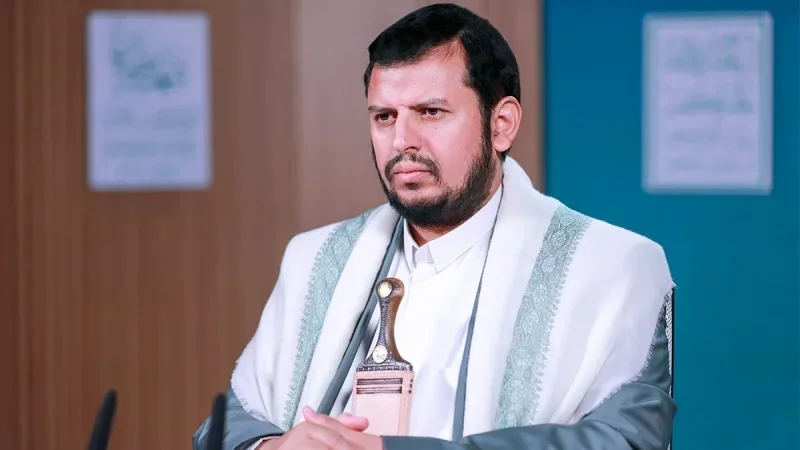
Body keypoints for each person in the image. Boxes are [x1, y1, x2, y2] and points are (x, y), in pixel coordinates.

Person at [193, 3, 676, 450]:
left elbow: (627, 439)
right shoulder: (316, 259)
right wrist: (274, 447)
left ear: (502, 124)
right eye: (385, 117)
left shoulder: (612, 265)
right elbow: (229, 423)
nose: (402, 141)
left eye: (431, 112)